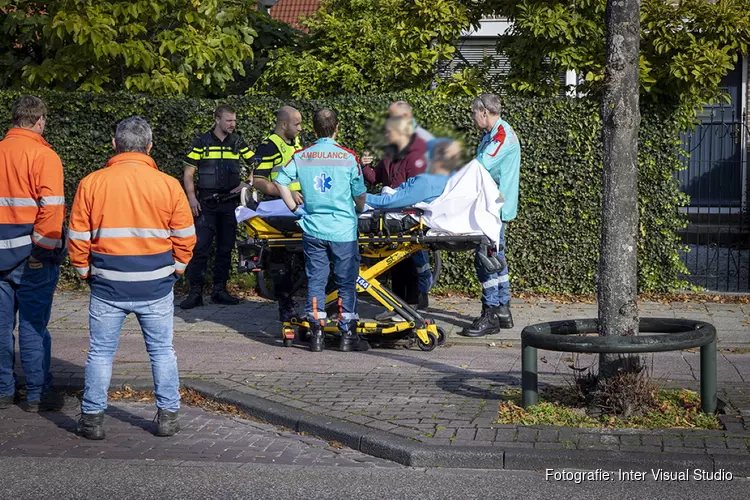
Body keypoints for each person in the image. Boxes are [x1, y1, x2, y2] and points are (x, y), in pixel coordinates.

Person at [68, 116, 196, 440]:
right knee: (162, 352)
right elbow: (186, 237)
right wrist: (176, 271)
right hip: (156, 285)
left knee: (100, 353)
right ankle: (168, 416)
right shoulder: (168, 185)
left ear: (114, 145)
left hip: (107, 285)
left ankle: (93, 418)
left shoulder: (91, 183)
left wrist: (85, 273)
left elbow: (77, 238)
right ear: (150, 146)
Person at [274, 108, 368, 353]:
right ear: (336, 127)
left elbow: (280, 181)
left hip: (314, 228)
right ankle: (348, 336)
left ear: (314, 129)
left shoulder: (301, 155)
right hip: (343, 230)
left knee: (316, 280)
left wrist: (295, 207)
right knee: (346, 282)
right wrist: (357, 209)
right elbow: (359, 195)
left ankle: (317, 335)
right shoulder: (348, 157)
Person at [0, 95, 69, 412]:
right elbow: (51, 211)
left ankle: (3, 391)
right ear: (39, 120)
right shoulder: (44, 156)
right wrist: (40, 252)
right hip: (31, 257)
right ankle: (37, 394)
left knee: (1, 329)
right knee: (32, 327)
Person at [180, 104, 253, 309]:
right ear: (218, 120)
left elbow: (259, 164)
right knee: (200, 248)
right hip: (206, 204)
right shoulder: (202, 142)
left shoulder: (238, 142)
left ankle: (219, 291)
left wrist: (246, 184)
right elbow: (188, 172)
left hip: (229, 204)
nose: (233, 124)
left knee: (225, 248)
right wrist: (191, 198)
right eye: (229, 120)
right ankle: (195, 293)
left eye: (234, 120)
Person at [459, 94, 521, 337]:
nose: (473, 117)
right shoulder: (491, 135)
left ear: (484, 112)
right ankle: (502, 311)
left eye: (475, 113)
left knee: (487, 258)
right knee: (497, 256)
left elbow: (480, 165)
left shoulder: (501, 135)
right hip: (491, 205)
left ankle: (491, 313)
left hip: (494, 207)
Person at [361, 116, 430, 317]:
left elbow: (415, 190)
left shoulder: (415, 160)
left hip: (407, 214)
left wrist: (389, 197)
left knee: (412, 259)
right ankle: (400, 306)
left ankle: (413, 303)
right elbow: (377, 177)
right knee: (397, 261)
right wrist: (366, 167)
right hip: (393, 214)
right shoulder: (389, 157)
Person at [250, 106, 305, 322]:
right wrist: (287, 193)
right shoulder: (269, 146)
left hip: (297, 208)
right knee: (281, 260)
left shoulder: (296, 144)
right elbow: (259, 180)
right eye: (297, 124)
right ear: (283, 124)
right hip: (278, 209)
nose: (301, 128)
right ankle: (286, 307)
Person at [365, 139, 461, 210]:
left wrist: (360, 196)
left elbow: (387, 203)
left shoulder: (427, 181)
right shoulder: (451, 178)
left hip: (398, 207)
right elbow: (404, 188)